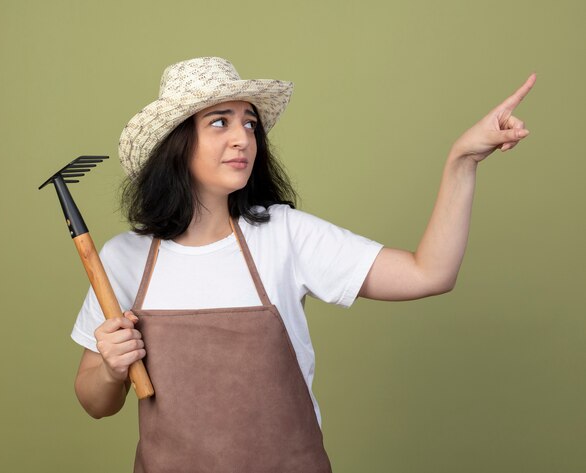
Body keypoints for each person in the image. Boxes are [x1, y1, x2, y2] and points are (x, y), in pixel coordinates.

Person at [71, 57, 535, 472]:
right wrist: (111, 369)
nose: (242, 138)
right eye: (219, 122)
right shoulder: (123, 258)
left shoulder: (285, 234)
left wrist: (463, 159)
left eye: (249, 124)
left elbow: (430, 273)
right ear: (177, 143)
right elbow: (94, 402)